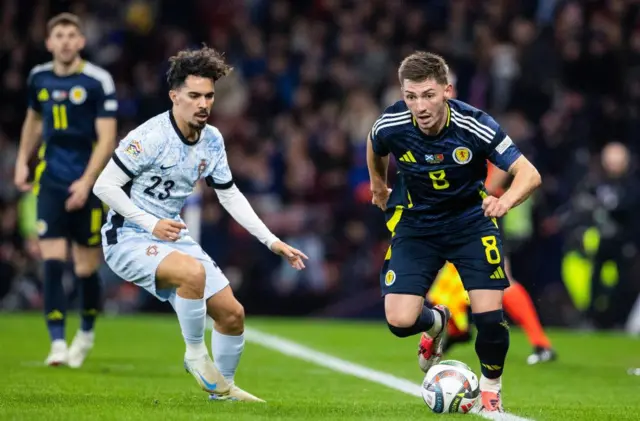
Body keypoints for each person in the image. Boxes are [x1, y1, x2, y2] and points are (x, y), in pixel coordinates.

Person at [93, 45, 307, 402]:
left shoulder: (212, 140)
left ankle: (221, 393)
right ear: (174, 96)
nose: (204, 103)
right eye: (194, 95)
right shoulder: (149, 137)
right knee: (191, 274)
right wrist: (149, 223)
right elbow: (104, 186)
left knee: (232, 314)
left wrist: (272, 241)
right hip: (128, 236)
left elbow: (230, 194)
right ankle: (195, 354)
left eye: (208, 96)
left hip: (172, 234)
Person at [367, 51, 541, 412]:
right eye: (411, 96)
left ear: (447, 90)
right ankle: (438, 321)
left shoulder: (475, 124)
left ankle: (491, 391)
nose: (420, 106)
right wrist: (378, 185)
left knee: (489, 319)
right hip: (417, 224)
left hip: (470, 222)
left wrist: (504, 202)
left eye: (428, 95)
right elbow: (375, 143)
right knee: (399, 321)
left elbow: (529, 174)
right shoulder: (393, 122)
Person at [14, 13, 117, 368]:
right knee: (52, 263)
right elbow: (34, 119)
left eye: (72, 35)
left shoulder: (96, 80)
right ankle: (57, 343)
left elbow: (107, 138)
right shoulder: (38, 78)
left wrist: (87, 182)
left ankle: (85, 333)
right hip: (51, 182)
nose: (66, 41)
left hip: (87, 183)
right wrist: (21, 162)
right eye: (59, 35)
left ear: (81, 42)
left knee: (86, 269)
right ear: (49, 43)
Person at [429, 164, 557, 365]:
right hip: (454, 215)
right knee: (448, 276)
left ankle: (541, 343)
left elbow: (504, 163)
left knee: (501, 279)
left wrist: (479, 197)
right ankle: (458, 331)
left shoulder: (478, 133)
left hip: (482, 214)